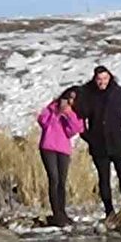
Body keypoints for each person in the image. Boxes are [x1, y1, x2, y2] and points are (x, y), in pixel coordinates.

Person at [76, 66, 121, 216]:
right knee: (104, 179)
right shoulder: (89, 95)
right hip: (99, 145)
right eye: (99, 79)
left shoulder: (118, 92)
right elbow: (80, 116)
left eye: (104, 78)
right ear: (94, 79)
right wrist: (87, 136)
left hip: (118, 143)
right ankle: (109, 211)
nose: (102, 82)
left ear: (110, 77)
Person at [37, 86, 81, 226]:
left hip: (63, 149)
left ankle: (62, 212)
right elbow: (43, 121)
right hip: (48, 147)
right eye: (68, 98)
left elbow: (75, 130)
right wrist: (56, 112)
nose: (70, 101)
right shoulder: (52, 108)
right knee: (54, 178)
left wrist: (69, 114)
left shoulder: (74, 113)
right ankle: (56, 213)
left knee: (62, 180)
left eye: (73, 99)